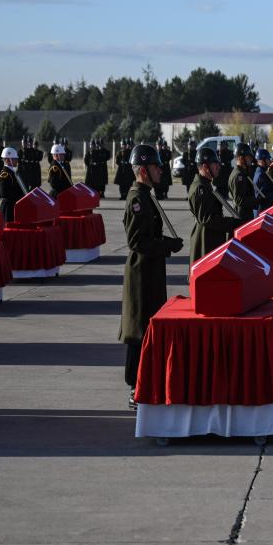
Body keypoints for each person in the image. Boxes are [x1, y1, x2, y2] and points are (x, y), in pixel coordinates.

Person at [120, 144, 185, 409]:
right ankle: (135, 389)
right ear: (144, 170)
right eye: (156, 166)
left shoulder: (146, 195)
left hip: (151, 271)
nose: (161, 170)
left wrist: (165, 243)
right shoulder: (138, 198)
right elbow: (137, 241)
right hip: (141, 274)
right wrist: (167, 245)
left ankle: (144, 384)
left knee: (147, 329)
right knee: (138, 331)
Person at [187, 147, 232, 266]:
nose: (218, 167)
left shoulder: (206, 185)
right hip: (205, 242)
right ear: (205, 167)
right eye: (214, 164)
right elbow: (207, 219)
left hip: (210, 239)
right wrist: (232, 223)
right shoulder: (200, 188)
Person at [0, 147, 27, 222]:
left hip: (14, 206)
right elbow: (4, 193)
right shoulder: (5, 174)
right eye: (14, 158)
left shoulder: (13, 172)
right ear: (7, 160)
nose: (17, 160)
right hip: (8, 208)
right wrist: (19, 196)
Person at [229, 142, 257, 221]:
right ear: (241, 158)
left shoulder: (243, 172)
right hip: (242, 216)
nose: (250, 159)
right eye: (248, 157)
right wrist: (257, 200)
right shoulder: (238, 175)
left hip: (246, 213)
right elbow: (240, 200)